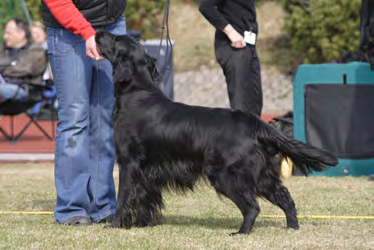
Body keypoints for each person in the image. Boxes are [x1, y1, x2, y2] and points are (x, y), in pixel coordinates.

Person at [41, 0, 128, 226]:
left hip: (112, 24)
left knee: (105, 119)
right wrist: (87, 33)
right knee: (75, 120)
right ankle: (72, 206)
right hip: (68, 32)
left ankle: (103, 205)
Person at [199, 0, 263, 116]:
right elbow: (205, 6)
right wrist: (231, 32)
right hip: (233, 47)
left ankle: (254, 134)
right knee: (242, 109)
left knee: (255, 104)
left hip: (249, 45)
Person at [0, 18, 47, 104]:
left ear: (21, 34)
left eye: (8, 33)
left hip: (24, 89)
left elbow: (23, 70)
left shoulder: (36, 51)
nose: (5, 37)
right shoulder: (2, 49)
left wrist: (5, 69)